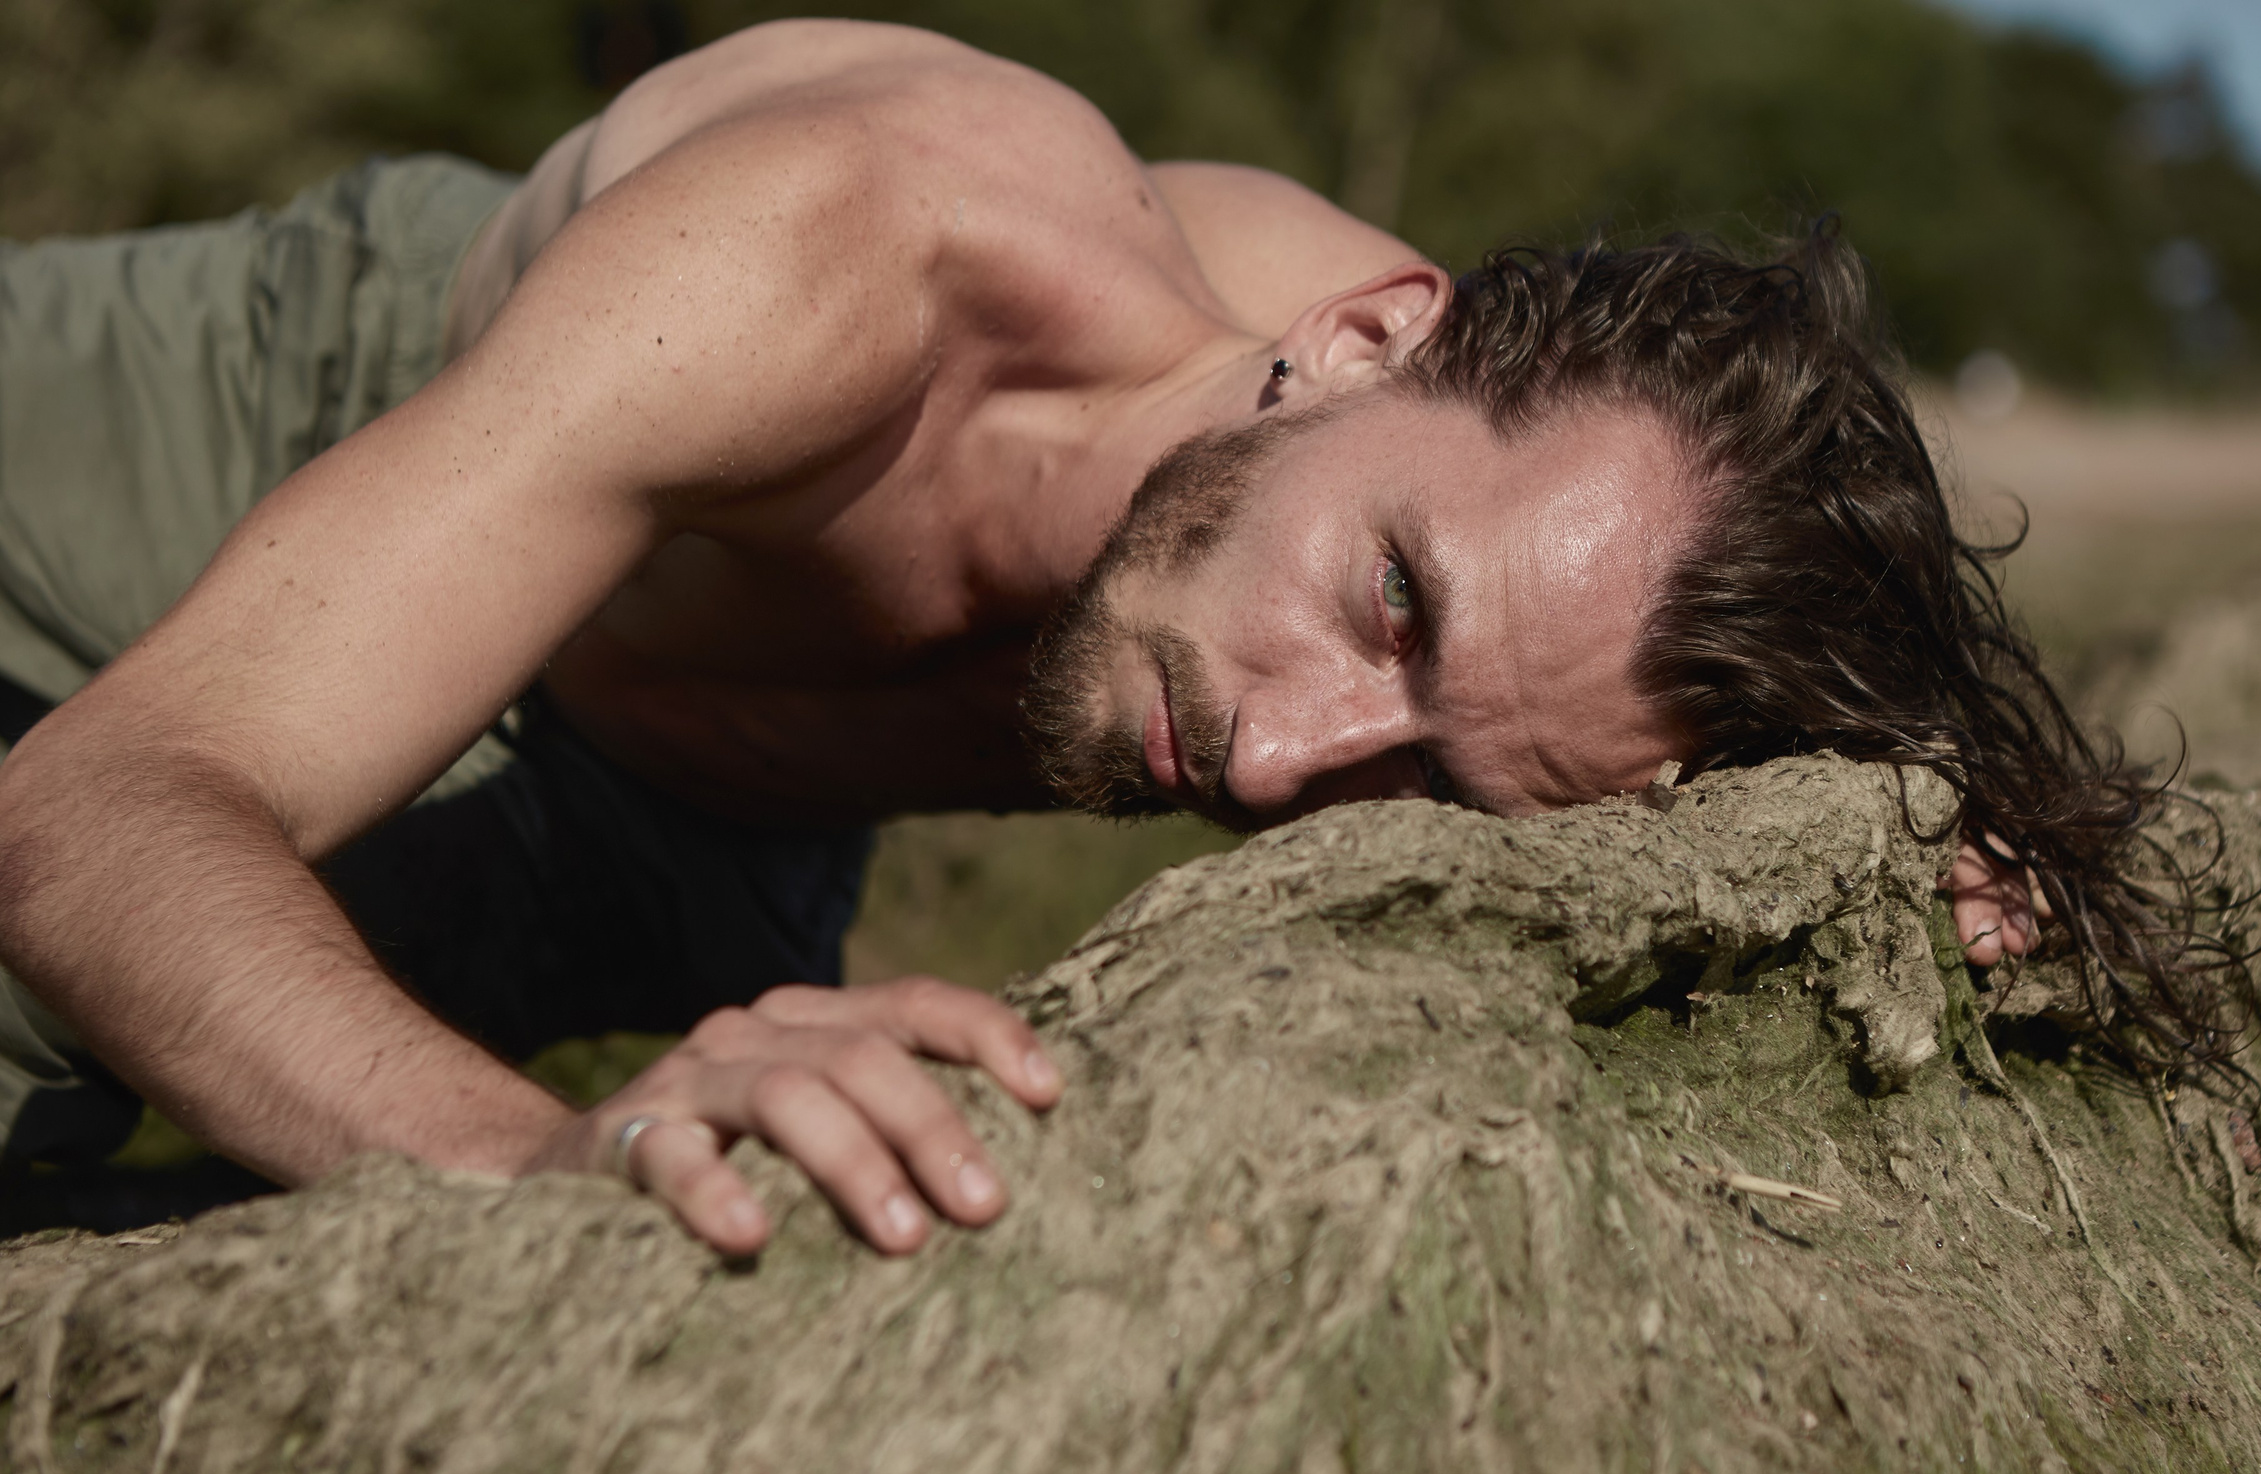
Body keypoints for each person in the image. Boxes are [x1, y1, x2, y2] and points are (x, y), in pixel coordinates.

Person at [0, 19, 2149, 1257]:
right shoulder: (866, 251)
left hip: (687, 831)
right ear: (1357, 334)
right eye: (1383, 598)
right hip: (283, 471)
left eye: (1435, 773)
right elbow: (102, 804)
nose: (1286, 763)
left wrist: (1912, 843)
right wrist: (546, 1158)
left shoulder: (1531, 562)